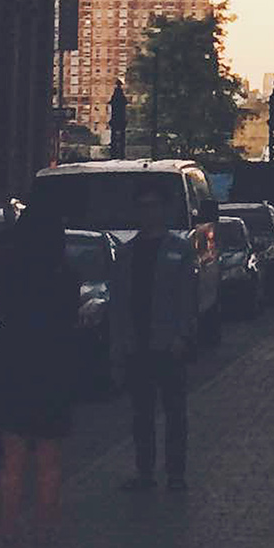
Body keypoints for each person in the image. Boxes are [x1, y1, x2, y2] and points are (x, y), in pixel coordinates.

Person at [0, 190, 80, 548]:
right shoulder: (66, 276)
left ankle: (9, 534)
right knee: (49, 460)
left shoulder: (9, 272)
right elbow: (70, 321)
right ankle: (45, 534)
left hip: (14, 366)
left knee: (12, 460)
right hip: (52, 368)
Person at [112, 182, 198, 492]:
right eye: (143, 206)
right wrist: (119, 344)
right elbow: (120, 301)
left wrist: (182, 335)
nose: (148, 212)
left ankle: (176, 474)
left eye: (153, 206)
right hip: (137, 344)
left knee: (175, 414)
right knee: (142, 415)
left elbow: (188, 297)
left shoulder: (180, 250)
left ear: (163, 209)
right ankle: (145, 472)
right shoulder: (126, 253)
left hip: (168, 345)